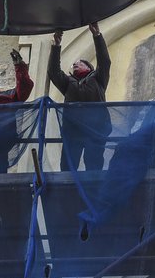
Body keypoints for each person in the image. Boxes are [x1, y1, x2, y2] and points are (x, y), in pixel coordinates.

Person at [48, 23, 111, 171]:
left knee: (94, 163)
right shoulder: (69, 83)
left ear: (89, 67)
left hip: (95, 129)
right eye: (74, 64)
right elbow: (54, 72)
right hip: (73, 130)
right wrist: (56, 46)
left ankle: (93, 189)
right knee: (68, 166)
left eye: (80, 63)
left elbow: (104, 61)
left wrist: (97, 36)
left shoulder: (98, 78)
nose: (75, 64)